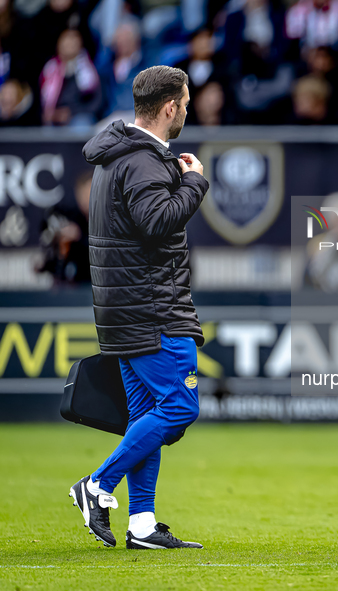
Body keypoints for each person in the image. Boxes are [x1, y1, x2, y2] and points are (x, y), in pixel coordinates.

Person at [69, 65, 209, 550]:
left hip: (124, 308)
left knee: (146, 414)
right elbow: (157, 223)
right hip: (153, 309)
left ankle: (142, 524)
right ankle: (97, 485)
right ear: (170, 106)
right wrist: (194, 182)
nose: (187, 109)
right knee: (179, 406)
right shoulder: (144, 160)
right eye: (186, 103)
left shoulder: (115, 157)